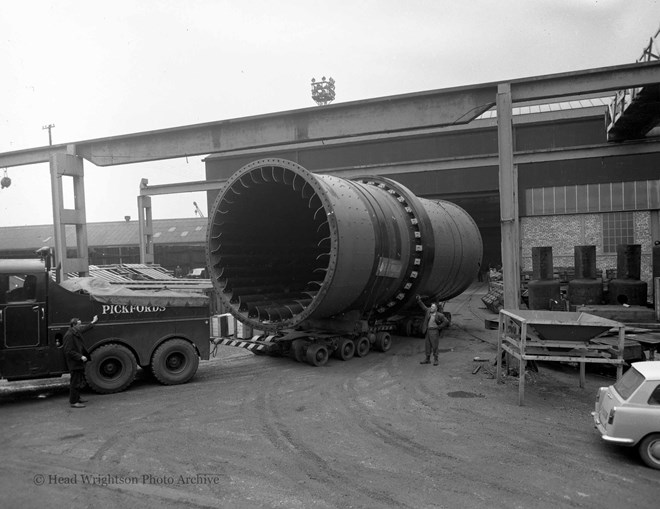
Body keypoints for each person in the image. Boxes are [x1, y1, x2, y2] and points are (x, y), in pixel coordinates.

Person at [63, 315, 98, 408]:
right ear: (74, 325)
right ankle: (74, 402)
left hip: (77, 363)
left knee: (78, 381)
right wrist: (80, 357)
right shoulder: (69, 335)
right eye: (79, 325)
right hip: (74, 363)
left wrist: (93, 322)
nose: (80, 326)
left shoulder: (75, 331)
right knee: (75, 382)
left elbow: (85, 329)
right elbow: (68, 351)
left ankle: (77, 398)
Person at [416, 295, 449, 366]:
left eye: (433, 307)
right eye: (431, 307)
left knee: (434, 346)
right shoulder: (428, 311)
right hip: (428, 331)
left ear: (436, 309)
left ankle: (436, 359)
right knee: (427, 345)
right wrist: (419, 301)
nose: (431, 308)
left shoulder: (440, 315)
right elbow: (423, 307)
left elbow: (446, 321)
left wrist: (439, 327)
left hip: (434, 332)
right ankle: (427, 359)